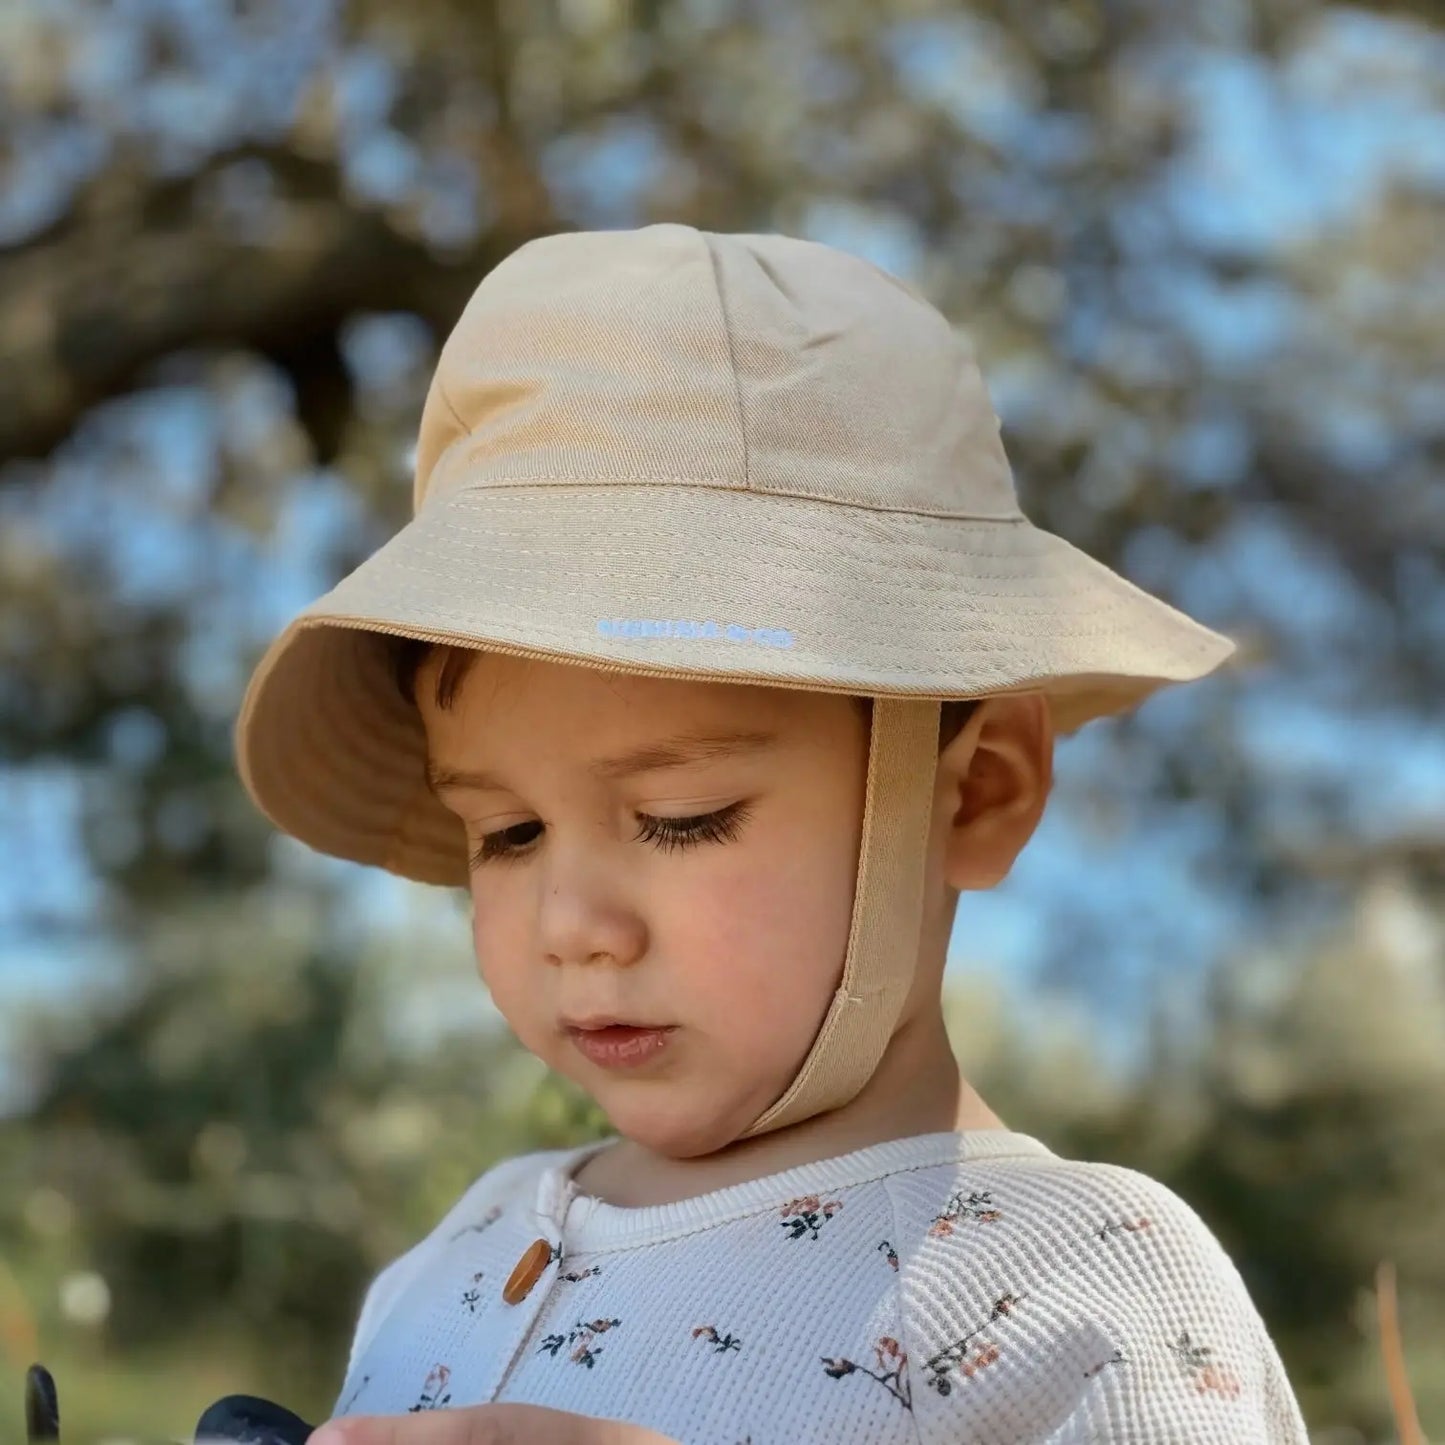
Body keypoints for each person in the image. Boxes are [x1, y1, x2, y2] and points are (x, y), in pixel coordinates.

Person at [236, 224, 1311, 1445]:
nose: (574, 924)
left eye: (679, 817)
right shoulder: (457, 1251)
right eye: (508, 830)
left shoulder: (1077, 1283)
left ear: (975, 790)